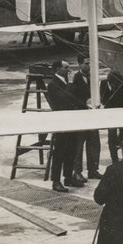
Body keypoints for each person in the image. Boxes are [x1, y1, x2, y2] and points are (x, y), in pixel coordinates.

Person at [45, 60, 80, 192]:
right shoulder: (53, 85)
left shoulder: (64, 83)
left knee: (72, 149)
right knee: (59, 152)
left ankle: (68, 176)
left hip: (72, 120)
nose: (69, 70)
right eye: (66, 68)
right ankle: (56, 180)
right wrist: (70, 84)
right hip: (61, 121)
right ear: (58, 69)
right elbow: (65, 99)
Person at [71, 55, 102, 181]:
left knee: (94, 144)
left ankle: (93, 169)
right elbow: (73, 97)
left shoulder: (92, 77)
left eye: (90, 63)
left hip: (92, 116)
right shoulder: (76, 79)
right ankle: (77, 172)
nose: (88, 66)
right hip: (81, 116)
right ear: (80, 64)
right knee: (78, 146)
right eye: (86, 64)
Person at [100, 70, 123, 166]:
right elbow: (102, 100)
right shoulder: (103, 84)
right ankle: (114, 160)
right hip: (110, 115)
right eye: (115, 84)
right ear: (111, 82)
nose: (117, 86)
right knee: (111, 137)